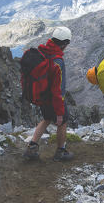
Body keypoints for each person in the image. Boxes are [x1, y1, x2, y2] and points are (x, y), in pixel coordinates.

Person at [23, 26, 74, 161]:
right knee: (62, 122)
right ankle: (61, 152)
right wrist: (59, 112)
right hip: (53, 99)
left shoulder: (42, 52)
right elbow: (58, 90)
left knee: (46, 119)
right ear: (64, 44)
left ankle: (31, 148)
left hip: (42, 96)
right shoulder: (57, 62)